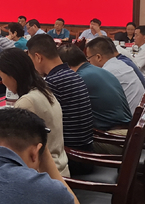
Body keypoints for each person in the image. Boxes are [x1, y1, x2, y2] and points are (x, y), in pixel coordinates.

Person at [0, 48, 69, 177]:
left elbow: (3, 140)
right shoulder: (43, 90)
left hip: (44, 173)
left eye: (2, 77)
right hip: (59, 167)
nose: (3, 82)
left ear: (12, 75)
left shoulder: (27, 101)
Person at [27, 34, 95, 175]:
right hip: (86, 151)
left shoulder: (53, 82)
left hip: (73, 157)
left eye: (31, 60)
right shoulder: (72, 74)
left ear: (38, 57)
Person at [58, 45, 132, 131]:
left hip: (111, 133)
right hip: (126, 128)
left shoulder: (78, 78)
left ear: (66, 66)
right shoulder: (101, 70)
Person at [85, 37, 145, 114]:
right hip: (138, 114)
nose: (89, 62)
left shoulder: (107, 72)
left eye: (89, 58)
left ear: (98, 57)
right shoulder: (121, 64)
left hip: (129, 118)